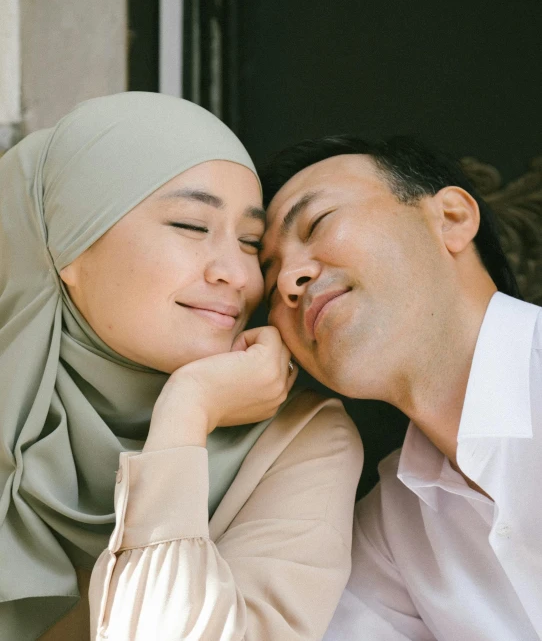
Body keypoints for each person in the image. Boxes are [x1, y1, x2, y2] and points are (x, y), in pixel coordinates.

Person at [0, 94, 362, 641]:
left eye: (249, 243)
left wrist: (186, 413)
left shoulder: (300, 438)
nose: (237, 275)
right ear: (64, 242)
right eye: (192, 226)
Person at [259, 135, 542, 640]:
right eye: (270, 274)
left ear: (451, 218)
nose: (289, 282)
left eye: (317, 223)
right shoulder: (392, 527)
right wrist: (188, 414)